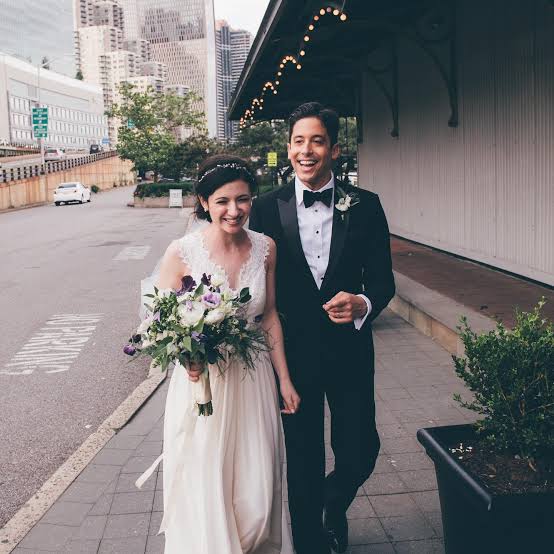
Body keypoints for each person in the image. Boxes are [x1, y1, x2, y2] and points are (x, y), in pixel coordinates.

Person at [249, 102, 395, 554]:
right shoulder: (264, 209)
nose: (305, 150)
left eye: (316, 141)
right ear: (288, 147)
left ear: (333, 148)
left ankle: (335, 502)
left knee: (359, 451)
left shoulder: (366, 206)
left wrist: (362, 302)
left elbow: (385, 282)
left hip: (349, 351)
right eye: (297, 141)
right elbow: (248, 281)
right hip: (291, 357)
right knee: (303, 459)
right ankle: (312, 539)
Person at [153, 154, 298, 553]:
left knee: (258, 492)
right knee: (208, 486)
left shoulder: (265, 248)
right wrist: (188, 357)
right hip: (205, 388)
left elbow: (269, 317)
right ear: (204, 202)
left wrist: (284, 379)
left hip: (253, 382)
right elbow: (161, 323)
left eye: (243, 200)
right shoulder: (181, 253)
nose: (234, 210)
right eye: (222, 201)